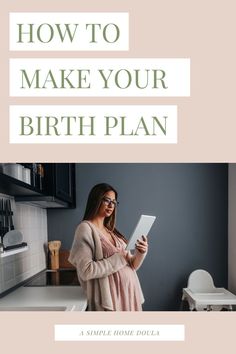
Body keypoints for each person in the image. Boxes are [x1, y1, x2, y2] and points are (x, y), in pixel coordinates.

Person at [68, 183, 148, 311]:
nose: (111, 205)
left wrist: (140, 253)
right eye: (107, 200)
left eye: (114, 202)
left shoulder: (110, 230)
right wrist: (120, 258)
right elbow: (86, 271)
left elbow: (131, 265)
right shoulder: (85, 229)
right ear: (96, 200)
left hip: (128, 294)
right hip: (112, 298)